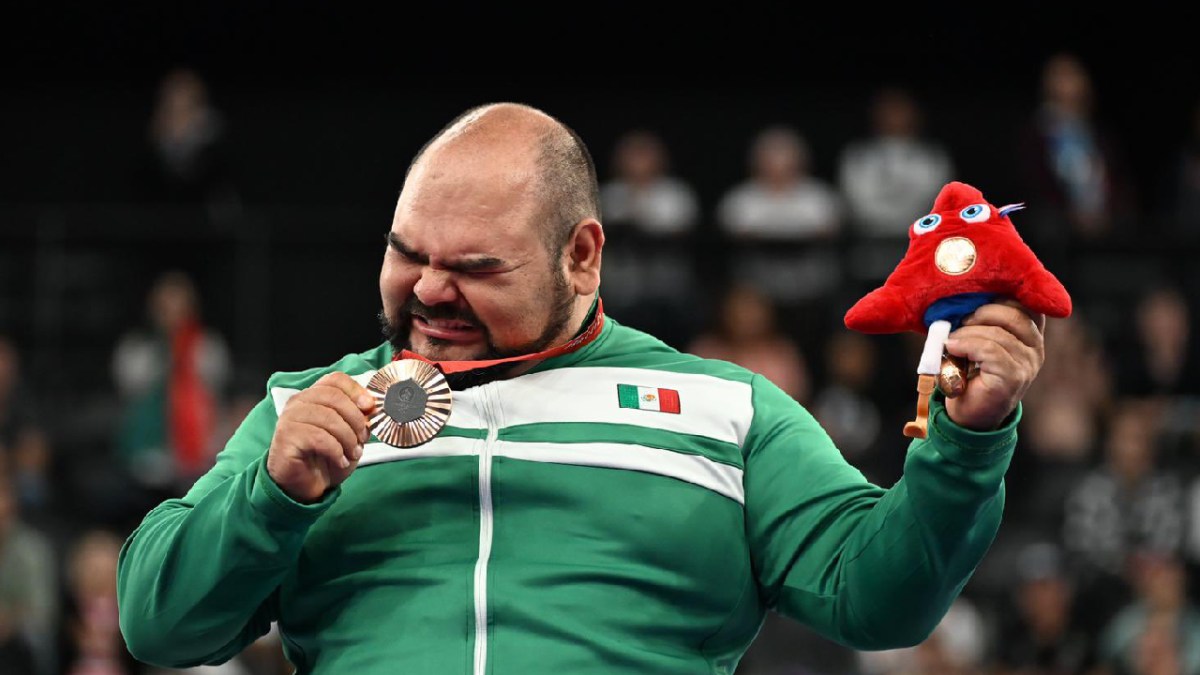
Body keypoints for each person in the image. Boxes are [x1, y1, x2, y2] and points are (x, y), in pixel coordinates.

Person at [116, 102, 1047, 674]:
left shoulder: (728, 411)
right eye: (408, 256)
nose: (431, 290)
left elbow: (879, 598)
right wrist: (268, 496)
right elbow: (159, 623)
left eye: (476, 267)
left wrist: (966, 445)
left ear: (582, 255)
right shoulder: (304, 412)